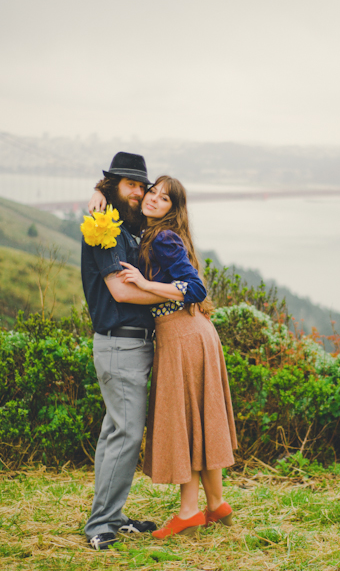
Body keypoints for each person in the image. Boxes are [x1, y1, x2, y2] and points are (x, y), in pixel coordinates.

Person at [115, 175, 238, 538]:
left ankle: (188, 512)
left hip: (183, 335)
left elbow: (195, 287)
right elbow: (118, 207)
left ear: (173, 209)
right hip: (192, 332)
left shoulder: (165, 237)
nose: (153, 199)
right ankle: (215, 504)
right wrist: (98, 193)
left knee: (187, 422)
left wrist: (146, 284)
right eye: (152, 192)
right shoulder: (155, 233)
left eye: (164, 198)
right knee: (201, 419)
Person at [81, 152, 168, 551]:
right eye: (130, 185)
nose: (137, 193)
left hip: (131, 344)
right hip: (120, 343)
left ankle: (112, 516)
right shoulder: (104, 227)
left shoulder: (124, 228)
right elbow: (118, 289)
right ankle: (100, 525)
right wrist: (171, 296)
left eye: (141, 186)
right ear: (113, 186)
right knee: (127, 433)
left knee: (115, 432)